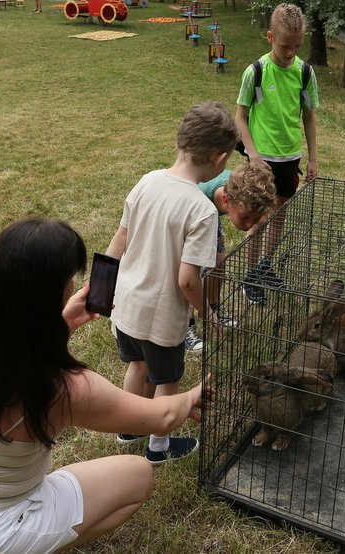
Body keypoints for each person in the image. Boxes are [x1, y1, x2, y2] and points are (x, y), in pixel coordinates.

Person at [0, 217, 212, 553]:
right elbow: (158, 417)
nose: (73, 286)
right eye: (70, 280)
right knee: (138, 474)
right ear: (50, 295)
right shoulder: (66, 389)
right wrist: (192, 396)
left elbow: (14, 354)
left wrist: (64, 323)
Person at [105, 101, 237, 463]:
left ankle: (129, 426)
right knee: (167, 380)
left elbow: (119, 239)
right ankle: (158, 448)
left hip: (127, 306)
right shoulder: (203, 210)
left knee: (138, 366)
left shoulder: (147, 180)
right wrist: (206, 311)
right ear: (220, 158)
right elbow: (188, 280)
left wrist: (101, 284)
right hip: (162, 319)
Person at [234, 2, 319, 306]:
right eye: (285, 45)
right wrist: (254, 154)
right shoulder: (255, 72)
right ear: (270, 37)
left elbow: (308, 116)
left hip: (289, 160)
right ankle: (249, 275)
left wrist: (312, 157)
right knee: (257, 220)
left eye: (297, 46)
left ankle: (264, 266)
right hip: (261, 161)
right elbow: (240, 117)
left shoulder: (305, 73)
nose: (290, 52)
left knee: (279, 216)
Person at [183, 162, 277, 351]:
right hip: (191, 216)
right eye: (245, 217)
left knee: (218, 263)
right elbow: (187, 277)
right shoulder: (203, 201)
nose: (250, 224)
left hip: (211, 214)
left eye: (255, 218)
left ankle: (214, 306)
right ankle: (185, 325)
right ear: (227, 201)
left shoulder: (242, 198)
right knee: (191, 271)